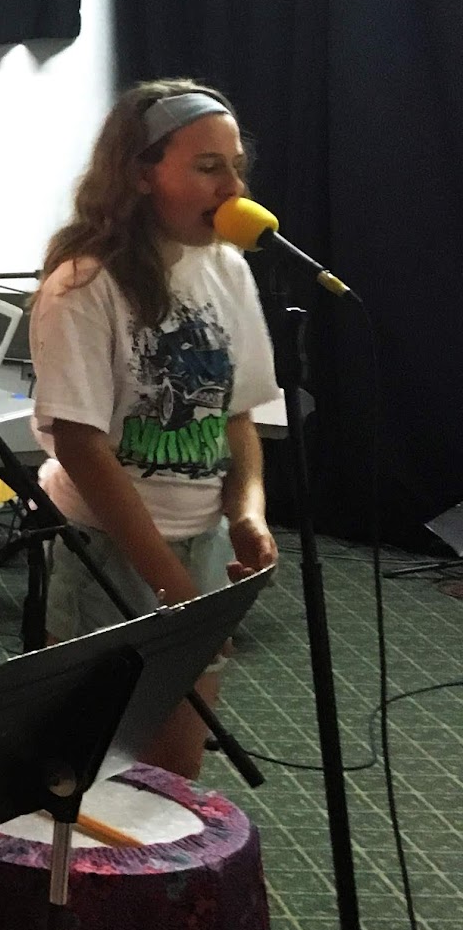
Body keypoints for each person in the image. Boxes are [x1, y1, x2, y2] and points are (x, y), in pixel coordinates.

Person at [30, 80, 279, 778]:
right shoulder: (83, 284)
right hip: (110, 548)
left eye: (236, 167)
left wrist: (247, 513)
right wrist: (171, 586)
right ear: (140, 174)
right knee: (88, 773)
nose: (232, 187)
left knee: (174, 770)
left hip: (201, 544)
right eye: (208, 167)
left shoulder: (227, 268)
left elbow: (237, 416)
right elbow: (81, 446)